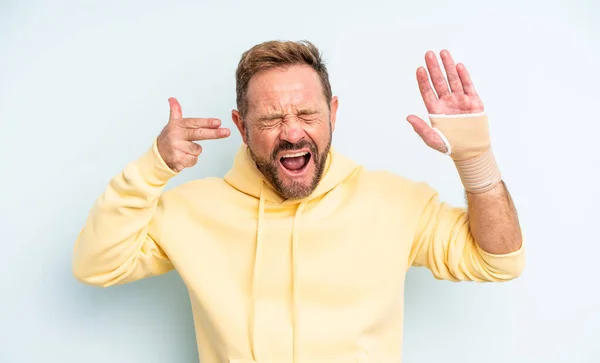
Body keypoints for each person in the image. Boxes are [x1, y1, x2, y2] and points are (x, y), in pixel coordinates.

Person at [72, 40, 525, 363]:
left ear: (333, 114)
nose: (292, 132)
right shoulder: (190, 211)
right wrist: (153, 166)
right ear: (243, 127)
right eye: (271, 118)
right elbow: (97, 265)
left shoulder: (396, 202)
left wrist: (474, 158)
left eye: (307, 114)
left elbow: (499, 261)